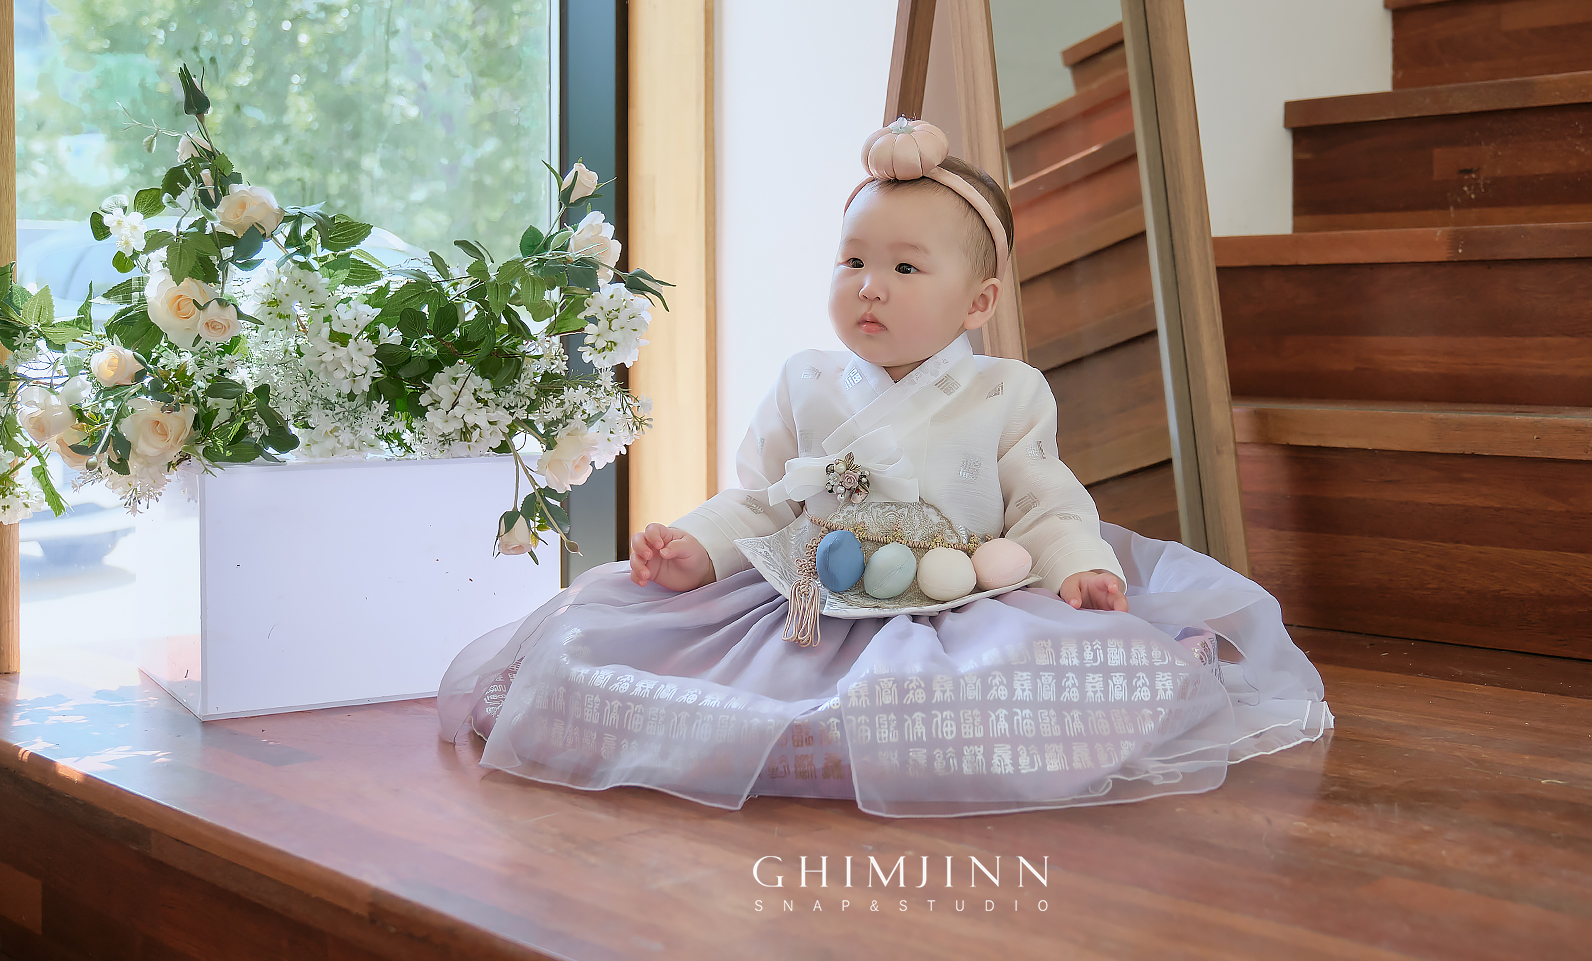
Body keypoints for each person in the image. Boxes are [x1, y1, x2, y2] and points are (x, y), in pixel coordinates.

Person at [438, 119, 1330, 817]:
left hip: (962, 597)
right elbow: (762, 498)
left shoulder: (1006, 391)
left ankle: (909, 744)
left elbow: (1045, 503)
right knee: (712, 671)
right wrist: (698, 548)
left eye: (905, 267)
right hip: (809, 597)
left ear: (978, 302)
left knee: (1002, 686)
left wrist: (1078, 567)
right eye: (854, 260)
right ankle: (792, 739)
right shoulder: (806, 381)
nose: (871, 284)